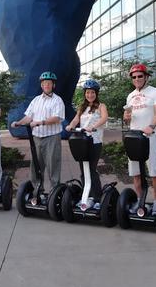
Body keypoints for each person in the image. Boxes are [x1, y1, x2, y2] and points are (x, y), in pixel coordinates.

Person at [11, 71, 65, 193]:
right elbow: (29, 117)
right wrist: (19, 123)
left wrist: (40, 122)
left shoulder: (57, 100)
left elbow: (57, 118)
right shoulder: (36, 100)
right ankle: (37, 191)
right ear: (41, 85)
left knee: (53, 166)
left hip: (52, 137)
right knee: (36, 166)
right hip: (37, 138)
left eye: (49, 83)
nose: (46, 85)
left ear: (53, 85)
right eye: (44, 83)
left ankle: (55, 192)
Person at [123, 63, 156, 216]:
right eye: (134, 77)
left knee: (154, 171)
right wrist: (126, 117)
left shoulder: (155, 92)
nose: (137, 79)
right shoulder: (130, 96)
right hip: (134, 139)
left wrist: (151, 126)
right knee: (136, 173)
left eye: (140, 76)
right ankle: (140, 201)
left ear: (146, 77)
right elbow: (127, 118)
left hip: (150, 138)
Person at [66, 79, 108, 209]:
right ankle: (87, 196)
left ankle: (97, 198)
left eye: (92, 92)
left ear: (96, 93)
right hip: (82, 142)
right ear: (85, 93)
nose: (90, 95)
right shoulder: (82, 107)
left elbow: (104, 118)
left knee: (91, 169)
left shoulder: (101, 106)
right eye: (88, 92)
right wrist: (70, 126)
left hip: (95, 142)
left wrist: (93, 126)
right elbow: (76, 119)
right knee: (83, 170)